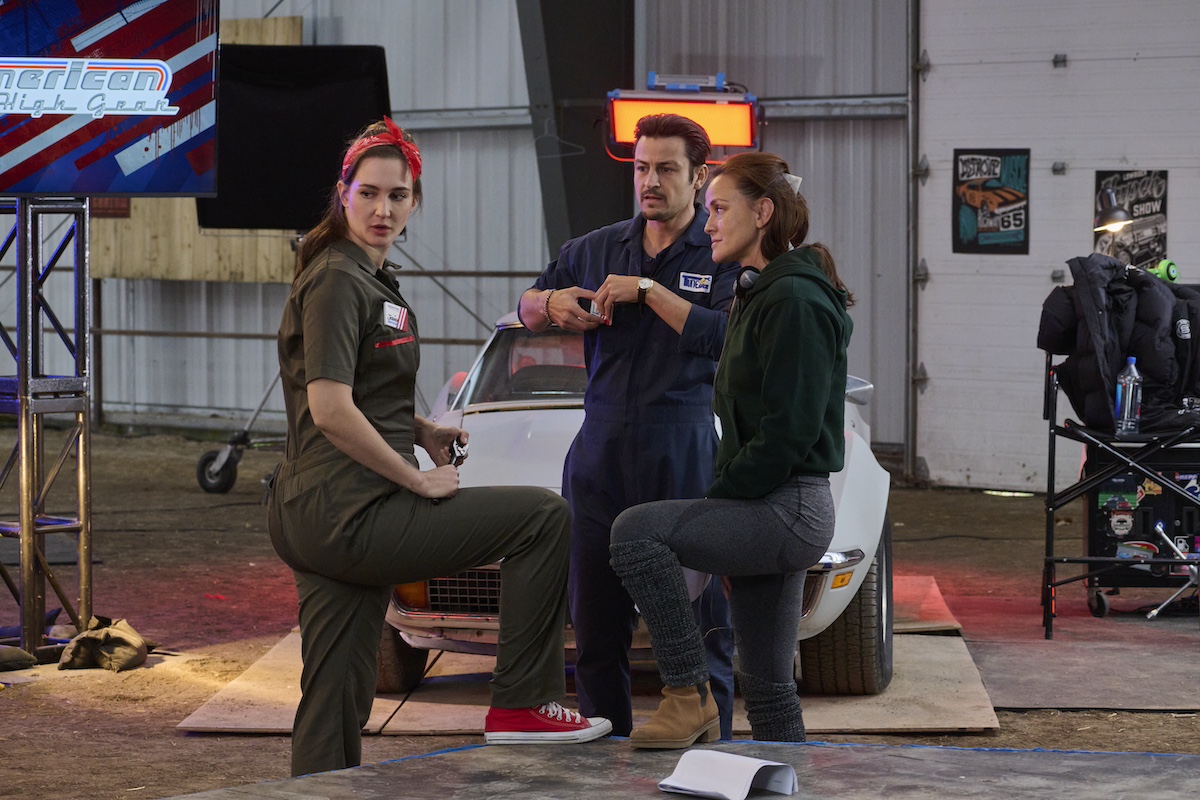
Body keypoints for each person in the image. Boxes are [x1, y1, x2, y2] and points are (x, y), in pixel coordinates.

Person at [266, 117, 611, 777]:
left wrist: (421, 430)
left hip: (317, 511)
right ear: (343, 192)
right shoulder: (339, 276)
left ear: (414, 201)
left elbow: (362, 391)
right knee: (543, 518)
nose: (382, 208)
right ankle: (520, 701)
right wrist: (416, 476)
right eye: (368, 193)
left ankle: (318, 791)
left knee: (337, 691)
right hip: (349, 510)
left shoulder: (370, 279)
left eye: (397, 196)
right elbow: (329, 407)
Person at [608, 151, 855, 748]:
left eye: (720, 209)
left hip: (786, 510)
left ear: (763, 212)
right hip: (775, 505)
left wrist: (720, 502)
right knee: (768, 685)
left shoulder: (793, 300)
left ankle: (688, 696)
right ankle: (787, 776)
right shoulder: (761, 292)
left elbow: (789, 431)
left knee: (636, 532)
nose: (709, 223)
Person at [517, 113, 739, 739]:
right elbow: (527, 304)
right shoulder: (596, 248)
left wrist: (647, 289)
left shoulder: (720, 253)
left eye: (666, 169)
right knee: (595, 631)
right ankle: (600, 760)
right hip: (600, 455)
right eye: (642, 168)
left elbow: (726, 336)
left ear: (699, 178)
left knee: (701, 629)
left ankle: (710, 759)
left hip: (684, 451)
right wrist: (552, 304)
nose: (650, 182)